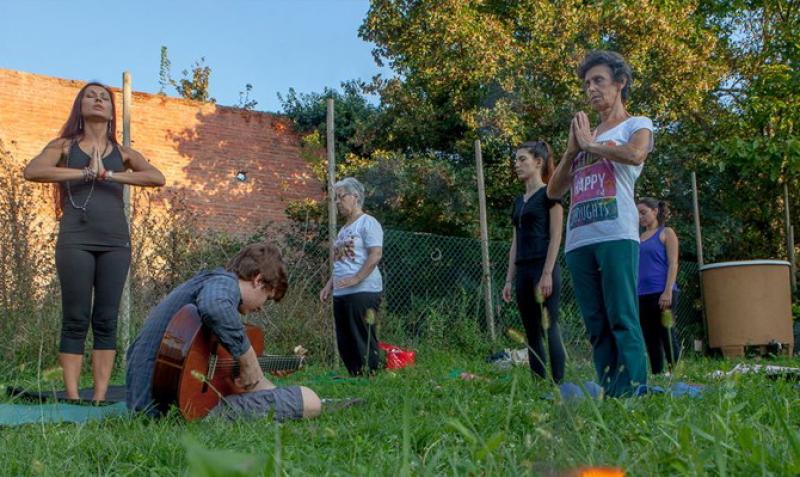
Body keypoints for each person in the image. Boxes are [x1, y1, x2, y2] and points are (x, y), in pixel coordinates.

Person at [23, 82, 165, 401]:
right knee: (75, 316)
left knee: (106, 317)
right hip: (75, 239)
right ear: (80, 106)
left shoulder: (124, 154)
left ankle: (99, 397)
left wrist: (110, 176)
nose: (98, 100)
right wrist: (83, 172)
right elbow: (32, 171)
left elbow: (157, 178)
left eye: (104, 97)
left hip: (115, 243)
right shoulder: (63, 146)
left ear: (113, 112)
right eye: (91, 96)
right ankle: (73, 397)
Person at [547, 51, 655, 397]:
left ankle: (635, 390)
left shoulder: (636, 124)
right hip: (579, 240)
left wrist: (594, 145)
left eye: (599, 81)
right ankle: (611, 389)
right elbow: (554, 190)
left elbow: (637, 154)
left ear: (620, 83)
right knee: (596, 323)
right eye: (586, 83)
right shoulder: (584, 136)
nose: (591, 89)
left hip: (617, 234)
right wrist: (571, 151)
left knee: (622, 316)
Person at [126, 242, 322, 421]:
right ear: (258, 280)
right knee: (310, 400)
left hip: (155, 403)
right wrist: (248, 359)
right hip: (176, 408)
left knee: (286, 395)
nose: (262, 307)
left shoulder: (210, 284)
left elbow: (202, 355)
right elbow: (215, 308)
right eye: (267, 298)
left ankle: (272, 393)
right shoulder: (224, 282)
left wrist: (256, 364)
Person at [502, 140, 566, 383]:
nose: (516, 164)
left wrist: (547, 273)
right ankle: (538, 384)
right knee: (531, 331)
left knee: (550, 327)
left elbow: (556, 236)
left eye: (522, 159)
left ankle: (558, 384)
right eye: (516, 160)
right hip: (524, 270)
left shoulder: (550, 194)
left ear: (538, 162)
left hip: (543, 267)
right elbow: (515, 242)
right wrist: (509, 279)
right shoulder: (519, 202)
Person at [319, 177, 384, 376]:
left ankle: (371, 376)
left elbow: (375, 255)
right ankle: (355, 376)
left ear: (355, 196)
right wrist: (329, 286)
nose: (338, 202)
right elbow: (339, 262)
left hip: (363, 290)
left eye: (341, 197)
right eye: (336, 198)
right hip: (341, 291)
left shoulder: (368, 223)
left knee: (362, 335)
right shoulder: (343, 230)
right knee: (345, 338)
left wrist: (356, 278)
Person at [637, 197, 680, 374]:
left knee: (666, 332)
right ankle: (656, 374)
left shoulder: (666, 233)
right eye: (637, 214)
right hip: (641, 294)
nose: (640, 217)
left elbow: (673, 263)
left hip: (662, 292)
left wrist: (667, 291)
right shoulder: (637, 237)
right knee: (649, 336)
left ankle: (674, 373)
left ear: (655, 211)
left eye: (643, 212)